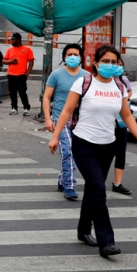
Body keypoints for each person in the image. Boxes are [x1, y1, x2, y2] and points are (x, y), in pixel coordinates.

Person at [49, 45, 137, 258]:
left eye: (115, 62)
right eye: (106, 61)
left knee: (94, 190)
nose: (110, 65)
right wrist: (56, 136)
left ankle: (83, 230)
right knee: (98, 189)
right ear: (95, 63)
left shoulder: (119, 86)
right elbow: (66, 110)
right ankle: (107, 242)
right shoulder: (84, 83)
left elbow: (127, 115)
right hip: (84, 143)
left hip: (108, 145)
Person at [43, 43, 89, 201]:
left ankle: (63, 179)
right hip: (60, 119)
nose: (73, 57)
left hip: (80, 120)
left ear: (81, 58)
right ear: (64, 57)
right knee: (68, 151)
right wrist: (48, 119)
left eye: (76, 54)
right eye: (69, 54)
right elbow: (47, 97)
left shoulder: (86, 76)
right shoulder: (56, 75)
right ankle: (69, 185)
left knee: (74, 152)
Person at [111, 57, 133, 195]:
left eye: (120, 64)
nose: (117, 67)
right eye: (115, 64)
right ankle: (97, 181)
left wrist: (124, 97)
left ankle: (117, 183)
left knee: (121, 153)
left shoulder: (123, 81)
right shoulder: (101, 81)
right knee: (103, 153)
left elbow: (129, 91)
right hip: (105, 123)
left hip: (121, 122)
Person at [4, 32, 35, 116]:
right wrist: (10, 61)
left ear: (18, 40)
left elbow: (31, 62)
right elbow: (3, 60)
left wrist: (27, 73)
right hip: (11, 74)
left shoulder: (27, 49)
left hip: (21, 75)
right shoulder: (9, 50)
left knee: (22, 92)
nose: (11, 41)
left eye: (13, 39)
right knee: (12, 92)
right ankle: (14, 108)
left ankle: (26, 108)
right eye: (10, 40)